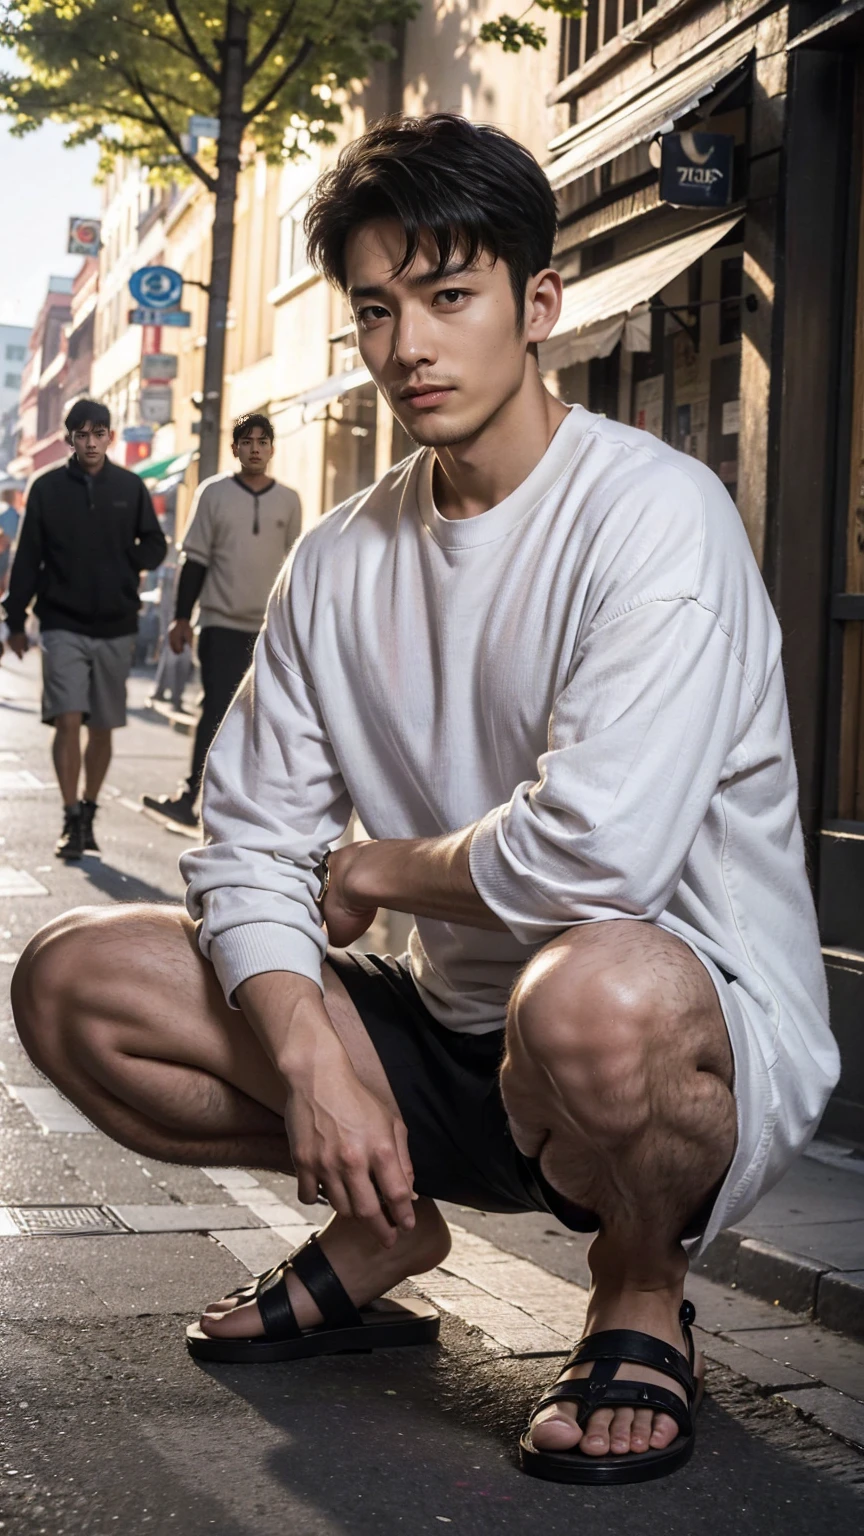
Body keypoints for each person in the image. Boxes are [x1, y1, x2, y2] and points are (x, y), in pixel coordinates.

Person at [11, 115, 838, 1487]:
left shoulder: (654, 516)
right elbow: (250, 843)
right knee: (73, 982)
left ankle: (637, 1282)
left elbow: (598, 855)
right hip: (451, 1040)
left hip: (666, 1040)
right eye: (381, 309)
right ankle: (379, 1225)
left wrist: (382, 870)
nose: (410, 347)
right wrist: (321, 1058)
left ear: (540, 305)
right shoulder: (340, 556)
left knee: (594, 996)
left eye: (452, 297)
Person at [2, 399, 166, 858]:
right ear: (69, 438)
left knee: (102, 726)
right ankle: (71, 814)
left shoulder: (130, 487)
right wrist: (15, 619)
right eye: (82, 434)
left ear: (110, 437)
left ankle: (90, 811)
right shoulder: (46, 487)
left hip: (116, 623)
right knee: (68, 717)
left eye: (99, 433)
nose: (91, 442)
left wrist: (125, 563)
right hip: (61, 621)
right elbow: (27, 557)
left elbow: (155, 543)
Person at [142, 413, 301, 828]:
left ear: (271, 447)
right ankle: (190, 796)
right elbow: (194, 560)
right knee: (216, 710)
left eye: (263, 441)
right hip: (219, 623)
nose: (255, 448)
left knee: (267, 720)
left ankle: (255, 811)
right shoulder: (213, 494)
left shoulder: (289, 500)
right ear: (234, 449)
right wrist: (180, 619)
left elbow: (294, 571)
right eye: (246, 441)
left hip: (269, 630)